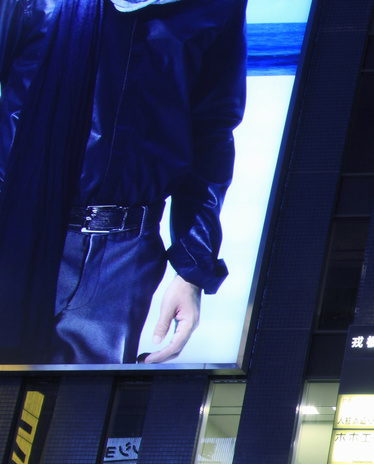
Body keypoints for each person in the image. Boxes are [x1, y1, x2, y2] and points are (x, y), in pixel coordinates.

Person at [0, 0, 246, 364]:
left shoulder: (217, 6)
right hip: (18, 228)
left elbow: (212, 134)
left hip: (124, 255)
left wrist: (192, 268)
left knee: (80, 414)